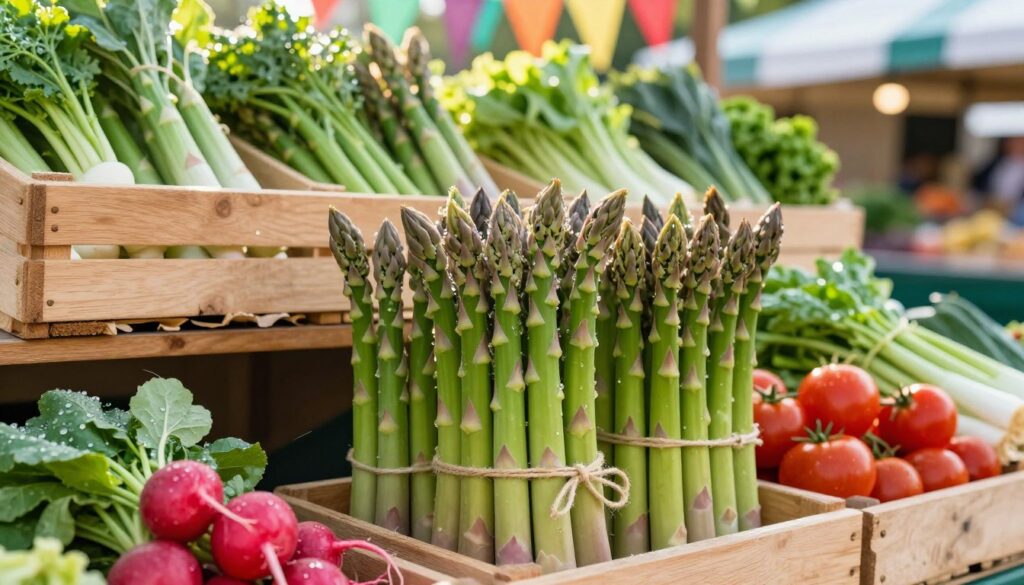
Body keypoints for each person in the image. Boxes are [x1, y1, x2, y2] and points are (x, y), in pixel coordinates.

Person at [972, 136, 1024, 225]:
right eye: (1012, 141)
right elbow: (978, 184)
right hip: (989, 209)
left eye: (1020, 141)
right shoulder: (994, 163)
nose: (1015, 144)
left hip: (1016, 214)